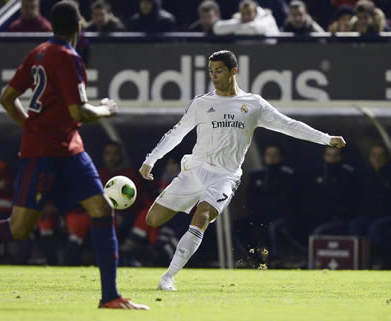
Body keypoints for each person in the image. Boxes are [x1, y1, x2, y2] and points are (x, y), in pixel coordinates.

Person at [0, 1, 149, 310]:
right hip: (44, 153)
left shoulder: (38, 53)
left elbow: (7, 98)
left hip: (70, 149)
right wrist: (107, 108)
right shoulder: (69, 57)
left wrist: (30, 125)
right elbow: (77, 110)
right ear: (79, 26)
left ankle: (110, 296)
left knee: (102, 210)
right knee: (19, 228)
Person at [138, 50, 346, 291]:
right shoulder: (202, 103)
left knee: (203, 215)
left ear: (233, 71)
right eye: (211, 72)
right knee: (152, 220)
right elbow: (176, 133)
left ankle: (168, 277)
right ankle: (172, 256)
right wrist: (151, 159)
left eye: (219, 71)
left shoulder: (253, 104)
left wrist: (326, 139)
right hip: (193, 170)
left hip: (225, 176)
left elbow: (288, 125)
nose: (214, 77)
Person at [234, 144, 301, 267]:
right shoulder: (257, 175)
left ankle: (275, 259)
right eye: (269, 155)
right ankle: (255, 259)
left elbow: (291, 201)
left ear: (281, 157)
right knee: (239, 225)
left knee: (273, 227)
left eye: (275, 155)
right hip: (259, 216)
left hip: (280, 217)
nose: (271, 158)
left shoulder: (288, 175)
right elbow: (250, 199)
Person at [306, 147, 357, 236]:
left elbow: (347, 199)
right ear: (324, 156)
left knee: (319, 231)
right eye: (328, 155)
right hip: (318, 215)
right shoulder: (318, 171)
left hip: (340, 217)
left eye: (335, 155)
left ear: (341, 156)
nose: (332, 159)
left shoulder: (348, 174)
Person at [213, 0, 280, 36]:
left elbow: (256, 29)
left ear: (255, 12)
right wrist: (239, 24)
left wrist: (234, 28)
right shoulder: (239, 18)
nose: (245, 16)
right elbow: (217, 28)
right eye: (243, 13)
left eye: (249, 13)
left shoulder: (267, 17)